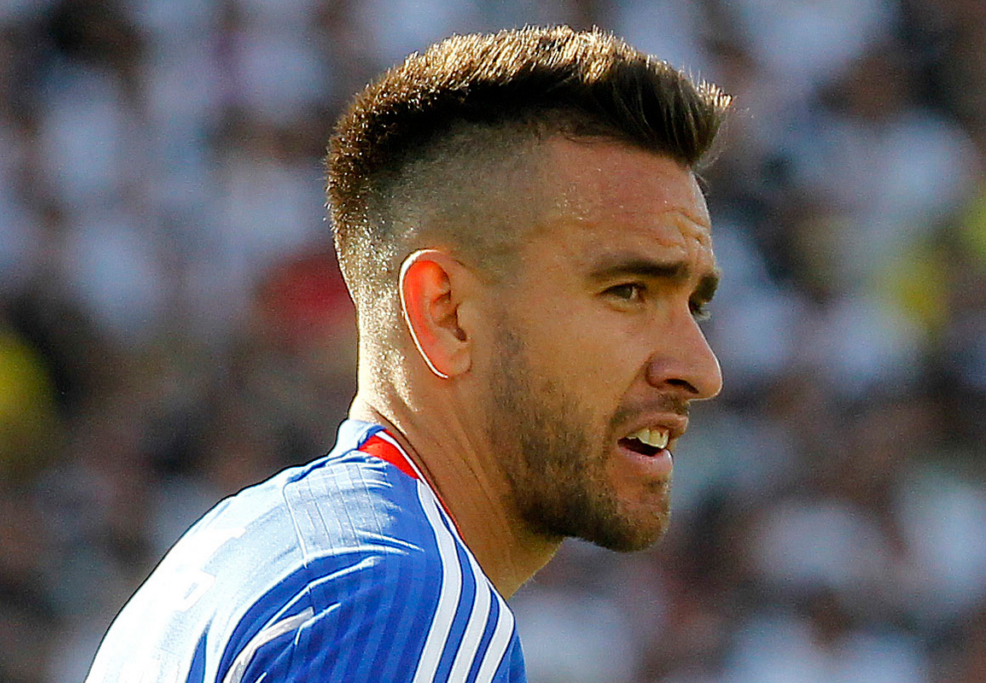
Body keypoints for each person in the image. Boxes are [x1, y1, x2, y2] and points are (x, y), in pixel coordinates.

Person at [85, 25, 730, 683]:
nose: (701, 370)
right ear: (445, 313)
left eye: (694, 305)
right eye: (628, 290)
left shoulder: (240, 548)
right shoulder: (403, 600)